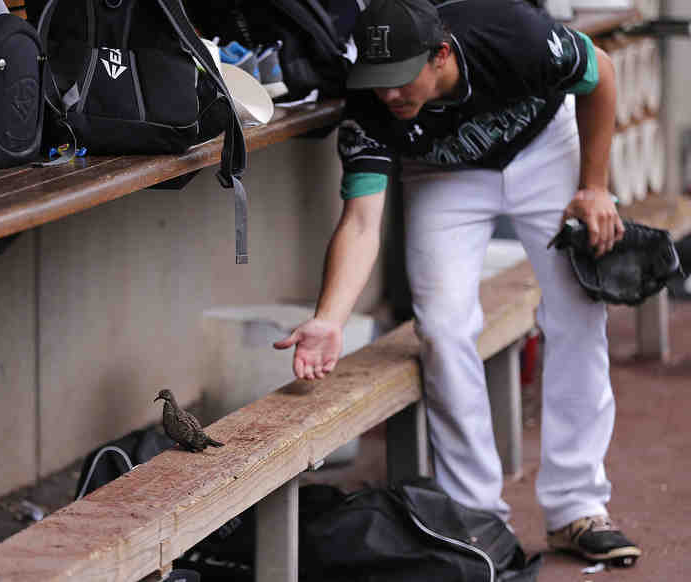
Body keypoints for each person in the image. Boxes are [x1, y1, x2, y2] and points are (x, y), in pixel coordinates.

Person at [274, 0, 641, 567]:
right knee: (443, 328)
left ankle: (577, 507)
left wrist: (594, 186)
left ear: (440, 54)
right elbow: (362, 222)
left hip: (544, 147)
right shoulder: (369, 108)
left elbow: (601, 74)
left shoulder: (511, 33)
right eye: (377, 83)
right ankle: (476, 518)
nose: (389, 96)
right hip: (444, 175)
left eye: (399, 81)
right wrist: (330, 319)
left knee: (578, 311)